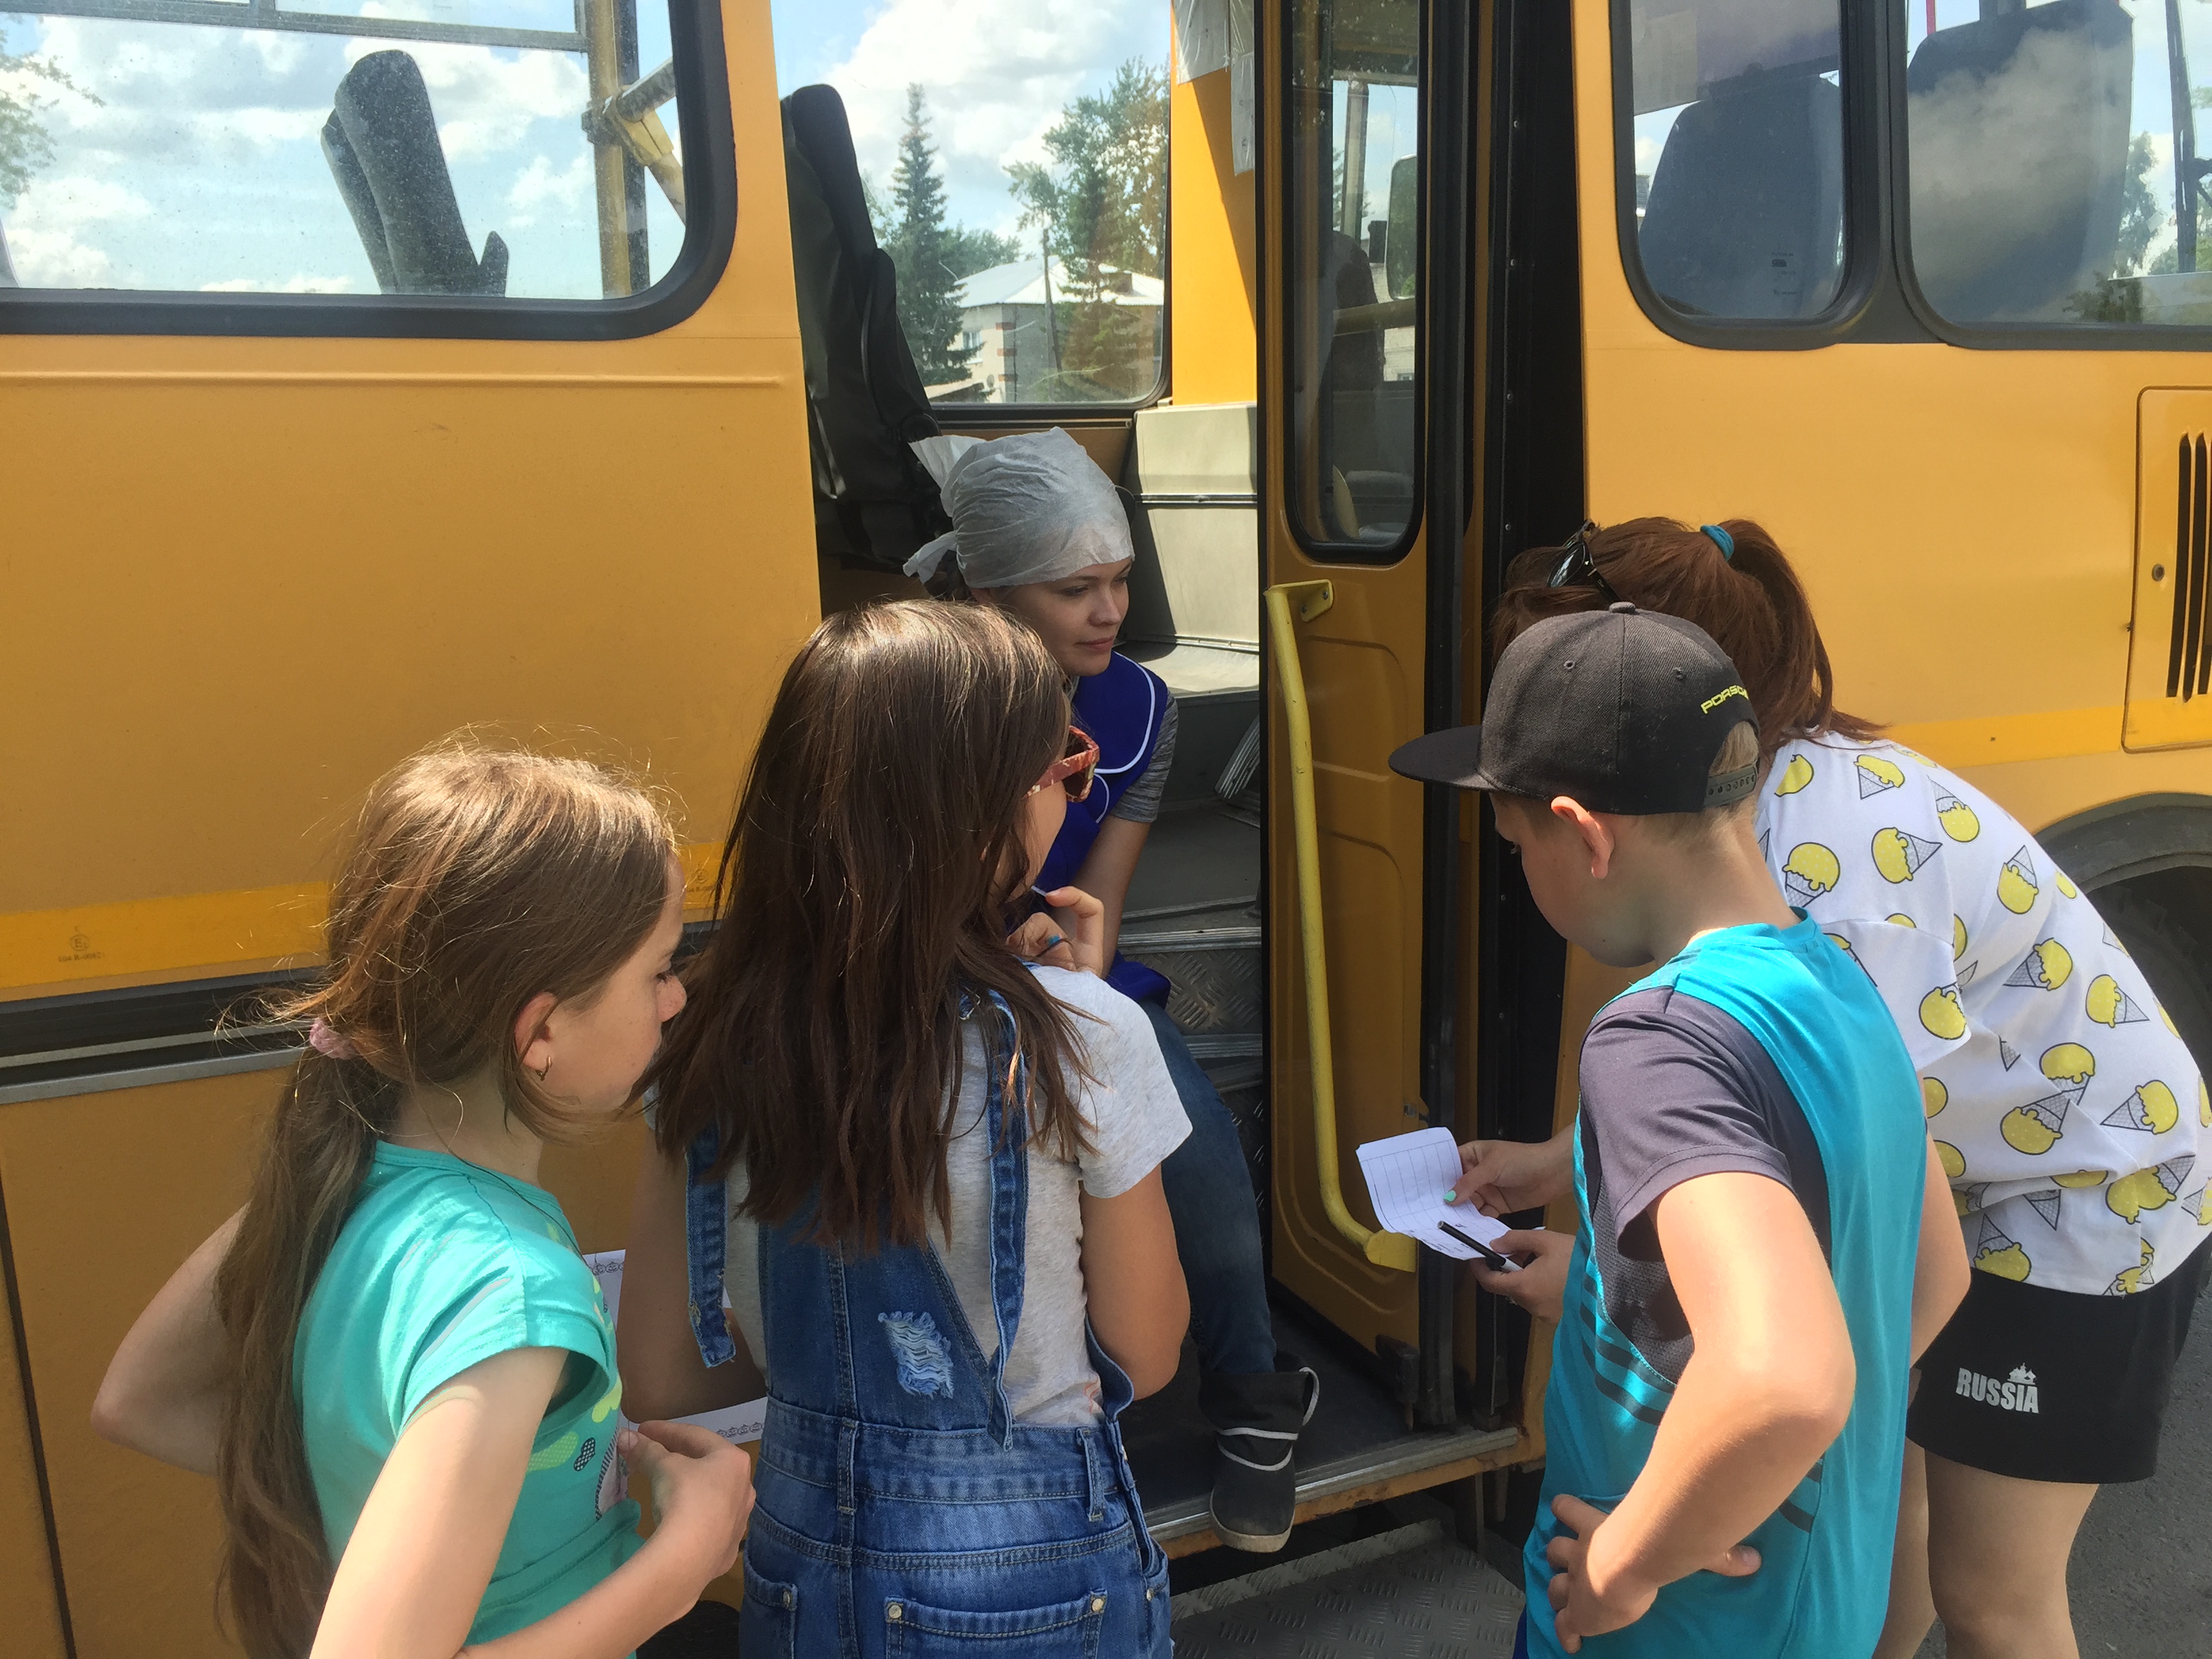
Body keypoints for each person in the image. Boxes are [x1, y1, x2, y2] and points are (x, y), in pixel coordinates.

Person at [1469, 518, 2212, 1659]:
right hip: (1963, 1182)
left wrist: (1662, 1530)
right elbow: (1888, 1239)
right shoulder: (1787, 899)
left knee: (1994, 1596)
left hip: (2088, 1185)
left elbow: (1797, 1349)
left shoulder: (1832, 898)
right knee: (1881, 1499)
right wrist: (1563, 1164)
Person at [1390, 603, 1969, 1658]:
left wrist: (1632, 1560)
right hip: (1813, 1610)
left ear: (1586, 834)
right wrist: (1603, 1291)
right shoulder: (1838, 977)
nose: (1521, 869)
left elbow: (1786, 1380)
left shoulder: (1650, 1042)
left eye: (1518, 845)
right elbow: (1929, 1278)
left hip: (1679, 1631)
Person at [614, 600, 1189, 1658]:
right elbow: (1144, 1353)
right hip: (1040, 1573)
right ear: (983, 814)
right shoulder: (1084, 1035)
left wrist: (839, 1388)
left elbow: (658, 1376)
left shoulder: (703, 1041)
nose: (1070, 791)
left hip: (798, 1568)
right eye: (1061, 767)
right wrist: (1079, 1003)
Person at [89, 747, 755, 1659]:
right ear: (541, 1032)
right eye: (659, 970)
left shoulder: (338, 1185)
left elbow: (136, 1401)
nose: (677, 999)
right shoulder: (513, 1295)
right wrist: (684, 1560)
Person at [904, 426, 1313, 1552]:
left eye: (1122, 580)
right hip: (929, 968)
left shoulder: (1141, 706)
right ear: (989, 593)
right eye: (1074, 588)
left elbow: (1102, 893)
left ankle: (1254, 1394)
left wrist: (1086, 1002)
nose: (1109, 610)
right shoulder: (918, 694)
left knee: (1202, 1153)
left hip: (1068, 963)